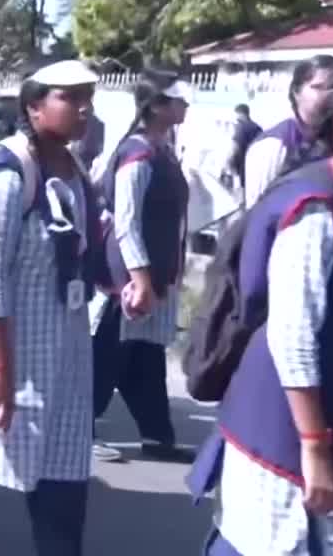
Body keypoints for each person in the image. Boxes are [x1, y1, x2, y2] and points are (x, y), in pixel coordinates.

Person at [188, 67, 333, 555]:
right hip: (285, 430)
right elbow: (293, 333)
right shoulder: (316, 205)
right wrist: (315, 446)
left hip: (309, 428)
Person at [0, 60, 103, 556]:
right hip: (5, 359)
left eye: (86, 97)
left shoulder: (74, 173)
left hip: (66, 358)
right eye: (69, 97)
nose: (83, 108)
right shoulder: (6, 176)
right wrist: (1, 375)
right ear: (34, 106)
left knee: (62, 481)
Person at [91, 70, 194, 464]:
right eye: (175, 100)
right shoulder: (137, 155)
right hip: (127, 281)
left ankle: (157, 435)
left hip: (154, 275)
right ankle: (81, 429)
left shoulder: (162, 150)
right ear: (155, 106)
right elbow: (127, 222)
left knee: (145, 360)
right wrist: (140, 278)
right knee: (107, 357)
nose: (183, 106)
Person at [243, 55, 333, 206]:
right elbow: (257, 211)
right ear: (296, 92)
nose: (326, 95)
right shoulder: (274, 145)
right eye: (317, 87)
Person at [225, 103, 261, 194]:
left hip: (242, 166)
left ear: (241, 114)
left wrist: (228, 162)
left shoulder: (241, 128)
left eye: (236, 114)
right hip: (256, 165)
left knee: (241, 192)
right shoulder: (257, 128)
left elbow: (235, 147)